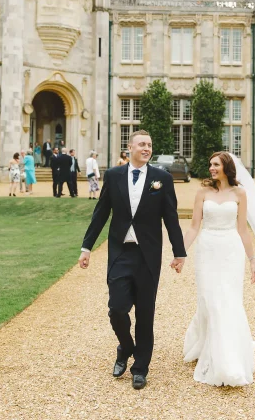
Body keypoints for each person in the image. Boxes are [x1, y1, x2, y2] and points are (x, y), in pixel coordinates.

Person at [78, 130, 186, 390]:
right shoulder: (114, 176)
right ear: (130, 148)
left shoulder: (162, 178)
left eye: (149, 144)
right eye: (142, 144)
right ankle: (126, 346)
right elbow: (101, 212)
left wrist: (179, 251)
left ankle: (140, 368)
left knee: (146, 313)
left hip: (148, 254)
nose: (146, 148)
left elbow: (171, 217)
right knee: (117, 308)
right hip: (120, 252)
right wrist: (86, 247)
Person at [182, 151, 255, 387]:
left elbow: (243, 230)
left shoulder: (240, 193)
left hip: (230, 251)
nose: (211, 168)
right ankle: (205, 343)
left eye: (215, 164)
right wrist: (180, 253)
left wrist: (252, 260)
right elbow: (195, 227)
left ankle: (228, 359)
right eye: (210, 164)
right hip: (207, 249)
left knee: (226, 300)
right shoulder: (202, 192)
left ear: (226, 166)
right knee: (208, 299)